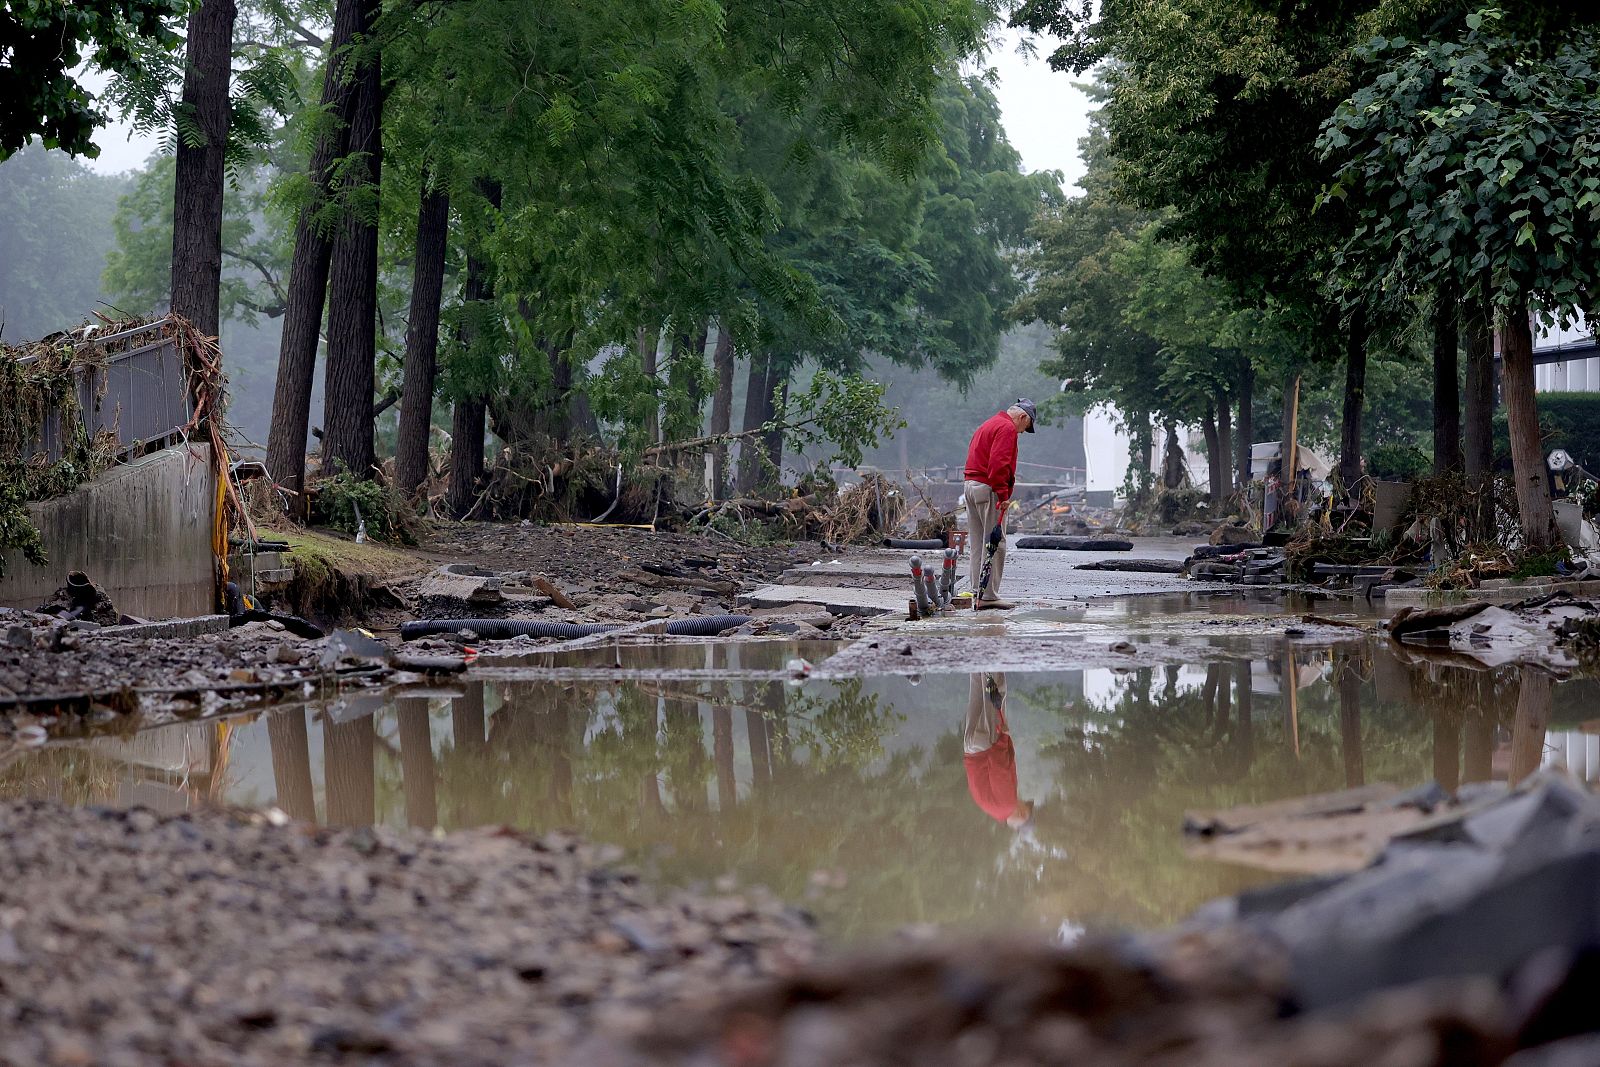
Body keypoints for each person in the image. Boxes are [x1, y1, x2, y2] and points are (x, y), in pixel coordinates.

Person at [963, 398, 1035, 609]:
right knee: (996, 543)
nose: (1021, 433)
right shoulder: (1007, 428)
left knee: (978, 542)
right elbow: (998, 464)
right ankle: (988, 596)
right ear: (1022, 417)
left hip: (971, 485)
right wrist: (1003, 496)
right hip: (988, 488)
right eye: (1025, 428)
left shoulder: (989, 423)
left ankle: (978, 590)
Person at [963, 672, 1034, 830]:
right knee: (978, 692)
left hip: (987, 745)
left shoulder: (1007, 804)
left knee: (996, 690)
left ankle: (990, 653)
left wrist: (1002, 739)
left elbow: (999, 770)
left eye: (1027, 806)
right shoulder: (993, 810)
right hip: (971, 748)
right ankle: (975, 655)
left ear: (1023, 814)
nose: (1023, 800)